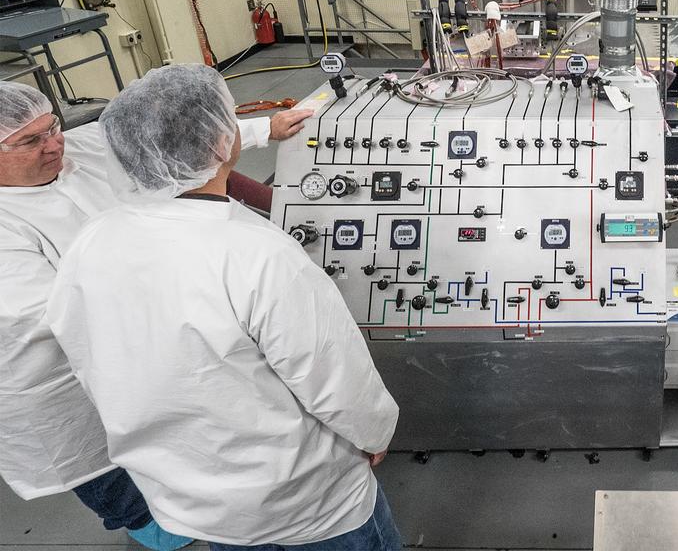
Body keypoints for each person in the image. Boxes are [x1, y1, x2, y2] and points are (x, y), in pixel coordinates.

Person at [46, 65, 401, 550]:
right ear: (220, 145)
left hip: (191, 501)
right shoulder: (260, 255)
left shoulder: (91, 242)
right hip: (305, 501)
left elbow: (87, 360)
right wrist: (375, 433)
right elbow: (336, 378)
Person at [0, 81, 309, 550]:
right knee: (102, 467)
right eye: (31, 140)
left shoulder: (78, 151)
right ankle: (149, 527)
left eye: (53, 127)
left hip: (147, 345)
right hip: (54, 381)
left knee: (171, 435)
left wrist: (265, 127)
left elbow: (172, 143)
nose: (54, 143)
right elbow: (52, 313)